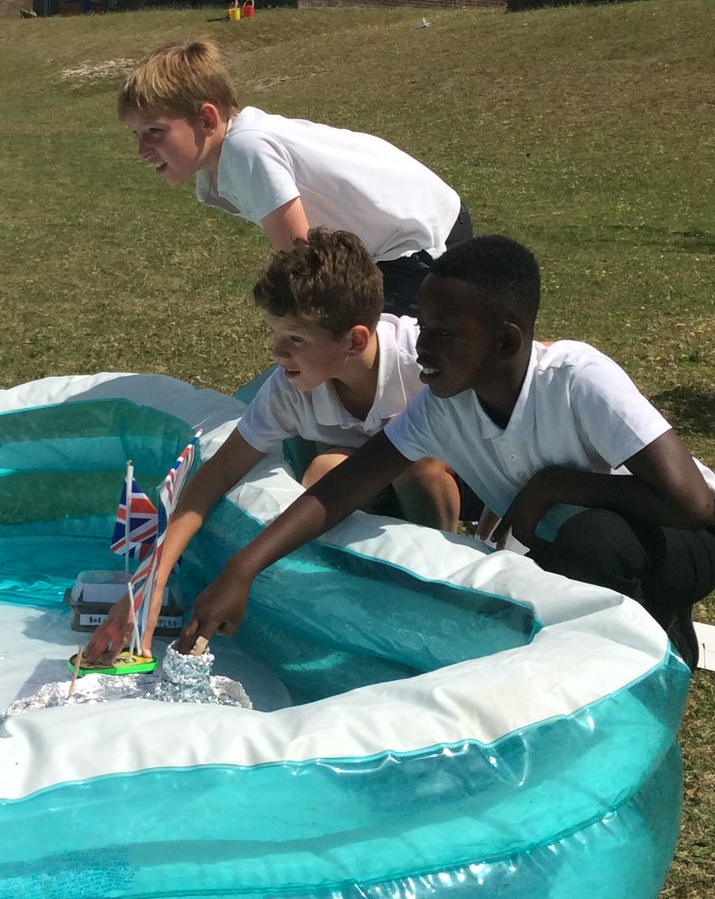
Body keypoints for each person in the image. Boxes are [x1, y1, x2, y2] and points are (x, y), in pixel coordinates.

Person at [178, 236, 715, 670]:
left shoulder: (577, 379)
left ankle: (644, 643)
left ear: (505, 341)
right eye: (422, 327)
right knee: (542, 583)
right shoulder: (443, 405)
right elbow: (342, 490)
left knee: (593, 543)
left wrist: (554, 486)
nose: (422, 346)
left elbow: (692, 505)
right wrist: (242, 569)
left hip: (680, 534)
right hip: (562, 540)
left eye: (444, 333)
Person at [83, 228, 462, 664]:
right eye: (275, 334)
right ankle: (370, 589)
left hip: (448, 479)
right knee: (322, 473)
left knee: (419, 465)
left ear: (355, 340)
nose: (278, 354)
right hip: (369, 485)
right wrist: (151, 580)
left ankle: (443, 587)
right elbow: (217, 474)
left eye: (295, 339)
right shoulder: (288, 389)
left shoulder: (420, 360)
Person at [117, 39, 472, 316]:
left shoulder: (245, 148)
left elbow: (303, 261)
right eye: (136, 134)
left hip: (418, 234)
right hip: (404, 235)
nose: (141, 150)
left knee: (378, 359)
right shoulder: (221, 164)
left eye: (154, 131)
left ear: (207, 119)